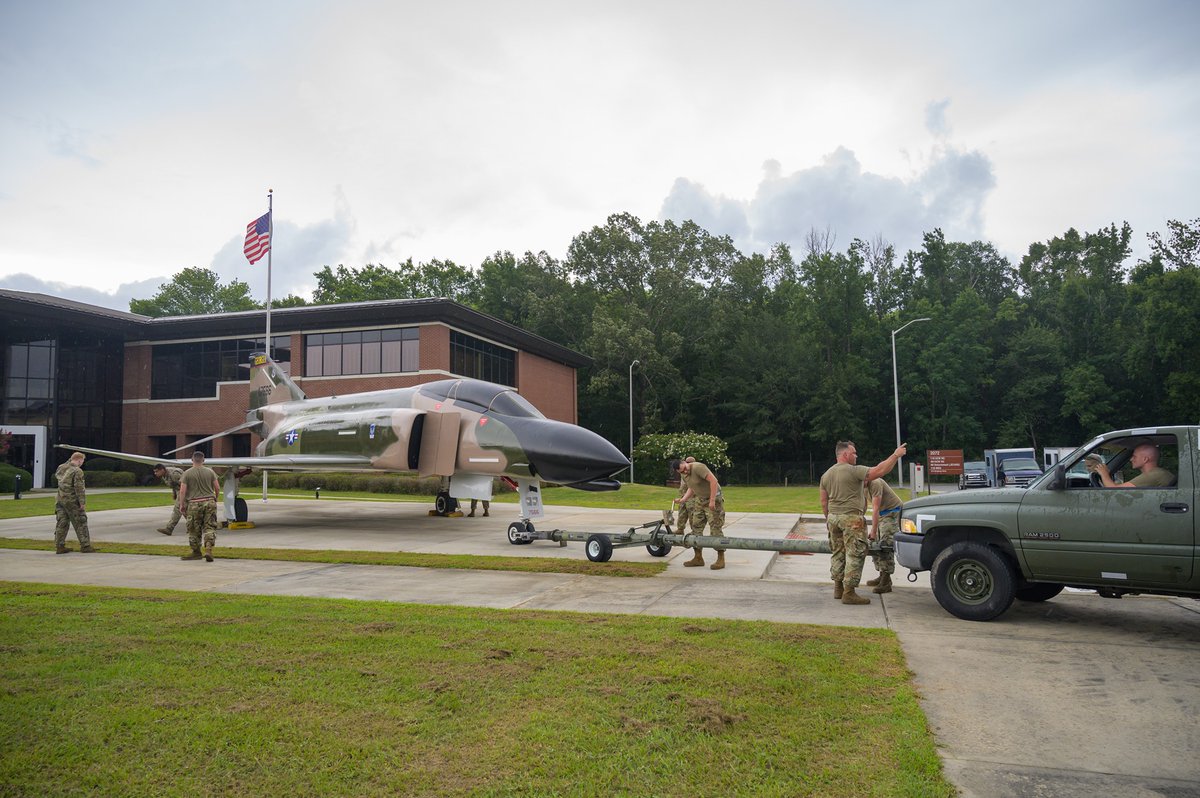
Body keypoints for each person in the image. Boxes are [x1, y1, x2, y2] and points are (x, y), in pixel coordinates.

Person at [819, 441, 907, 605]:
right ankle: (849, 593)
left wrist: (828, 520)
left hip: (833, 518)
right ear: (845, 454)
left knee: (838, 553)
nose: (856, 456)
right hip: (851, 519)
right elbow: (880, 470)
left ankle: (838, 588)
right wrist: (896, 455)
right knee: (855, 554)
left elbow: (824, 502)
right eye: (854, 453)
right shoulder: (854, 471)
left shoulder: (826, 475)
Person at [670, 458, 726, 570]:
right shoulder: (684, 475)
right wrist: (683, 499)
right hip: (700, 500)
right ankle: (698, 558)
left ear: (685, 463)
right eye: (681, 471)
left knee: (715, 528)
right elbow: (691, 488)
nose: (685, 471)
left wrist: (712, 500)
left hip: (714, 499)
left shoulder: (698, 467)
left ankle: (721, 559)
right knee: (696, 527)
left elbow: (714, 481)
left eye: (685, 468)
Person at [177, 451, 220, 562]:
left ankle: (196, 552)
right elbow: (217, 487)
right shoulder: (210, 472)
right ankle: (208, 549)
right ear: (203, 460)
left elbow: (182, 491)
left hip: (194, 504)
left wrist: (181, 504)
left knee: (193, 529)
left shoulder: (187, 473)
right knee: (209, 526)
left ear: (192, 460)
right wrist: (215, 498)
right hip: (210, 502)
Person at [865, 477, 903, 594]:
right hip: (882, 514)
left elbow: (875, 508)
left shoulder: (875, 483)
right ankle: (882, 576)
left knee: (885, 545)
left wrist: (873, 530)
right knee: (875, 544)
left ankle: (886, 582)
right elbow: (864, 504)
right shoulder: (861, 485)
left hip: (892, 512)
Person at [54, 451, 95, 554]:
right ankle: (85, 546)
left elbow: (59, 476)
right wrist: (82, 502)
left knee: (62, 522)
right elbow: (79, 488)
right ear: (79, 460)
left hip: (60, 499)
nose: (82, 463)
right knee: (81, 522)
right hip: (72, 501)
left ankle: (59, 546)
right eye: (82, 461)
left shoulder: (61, 468)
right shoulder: (77, 471)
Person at [1089, 444, 1175, 488]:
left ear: (1145, 459)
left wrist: (1104, 474)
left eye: (1134, 456)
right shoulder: (1159, 473)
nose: (1131, 459)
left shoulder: (1153, 475)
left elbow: (1115, 490)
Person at [152, 463, 185, 535]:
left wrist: (182, 495)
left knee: (177, 509)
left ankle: (169, 528)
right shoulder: (164, 475)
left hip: (185, 491)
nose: (155, 473)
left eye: (157, 471)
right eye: (154, 472)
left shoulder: (174, 474)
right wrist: (174, 493)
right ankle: (198, 526)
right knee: (185, 511)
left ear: (162, 470)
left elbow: (185, 484)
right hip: (179, 491)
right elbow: (174, 485)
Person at [671, 456, 696, 533]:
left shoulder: (694, 471)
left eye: (690, 462)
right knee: (681, 513)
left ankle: (694, 531)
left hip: (692, 497)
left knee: (692, 514)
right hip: (683, 495)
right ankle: (680, 529)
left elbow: (693, 486)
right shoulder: (683, 471)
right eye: (687, 462)